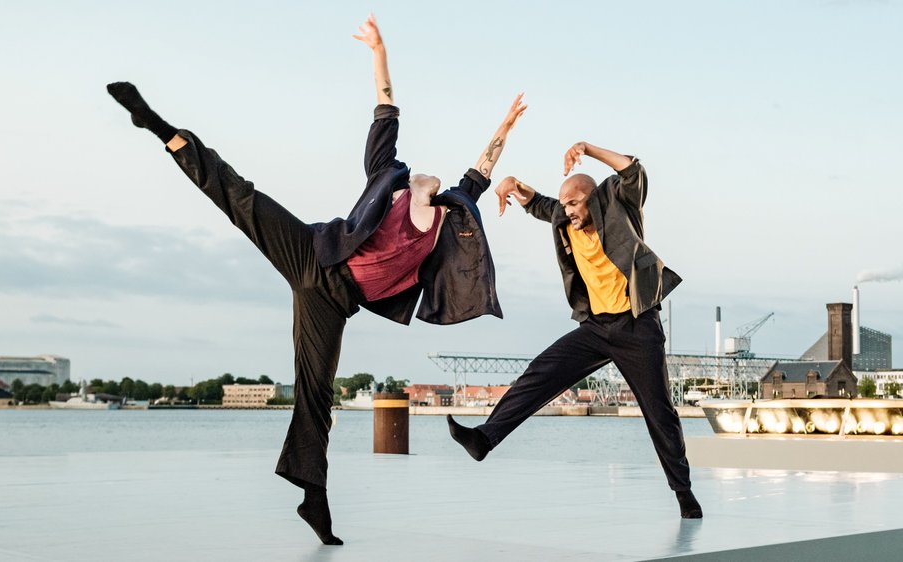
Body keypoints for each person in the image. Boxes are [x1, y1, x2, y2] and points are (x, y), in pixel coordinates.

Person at [107, 14, 526, 544]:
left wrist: (507, 127)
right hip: (312, 252)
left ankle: (315, 500)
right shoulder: (391, 181)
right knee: (242, 199)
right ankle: (163, 130)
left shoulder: (449, 216)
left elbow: (482, 170)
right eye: (419, 173)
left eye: (430, 176)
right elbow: (386, 107)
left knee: (316, 394)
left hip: (333, 302)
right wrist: (379, 50)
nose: (424, 172)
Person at [446, 142, 703, 519]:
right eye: (565, 205)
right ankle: (485, 439)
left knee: (659, 412)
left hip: (637, 325)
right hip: (596, 326)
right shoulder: (564, 218)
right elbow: (539, 204)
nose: (567, 211)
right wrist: (514, 184)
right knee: (541, 373)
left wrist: (587, 148)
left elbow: (634, 170)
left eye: (575, 203)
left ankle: (684, 493)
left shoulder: (618, 205)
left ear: (593, 198)